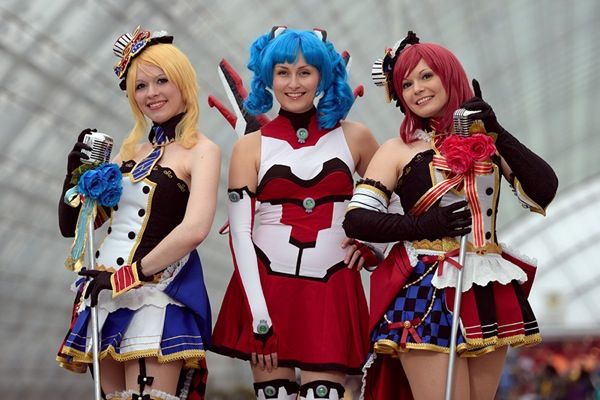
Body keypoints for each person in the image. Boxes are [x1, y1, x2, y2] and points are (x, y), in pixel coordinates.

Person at [343, 31, 559, 399]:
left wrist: (497, 131)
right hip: (425, 289)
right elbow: (357, 219)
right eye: (406, 83)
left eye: (426, 76)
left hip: (488, 282)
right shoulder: (397, 150)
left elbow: (544, 190)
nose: (417, 89)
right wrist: (423, 225)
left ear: (450, 75)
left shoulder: (489, 143)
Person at [210, 27, 380, 400]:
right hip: (267, 288)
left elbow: (395, 198)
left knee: (326, 395)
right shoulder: (249, 147)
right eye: (283, 72)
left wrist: (373, 244)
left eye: (305, 72)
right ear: (269, 76)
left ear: (322, 75)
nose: (293, 83)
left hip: (331, 290)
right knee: (274, 395)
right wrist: (259, 316)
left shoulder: (356, 137)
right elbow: (240, 235)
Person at [55, 26, 220, 400]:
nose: (152, 93)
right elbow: (76, 227)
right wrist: (72, 178)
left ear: (182, 82)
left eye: (162, 80)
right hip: (105, 297)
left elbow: (195, 229)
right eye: (141, 86)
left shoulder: (202, 150)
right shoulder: (129, 153)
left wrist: (127, 276)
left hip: (156, 296)